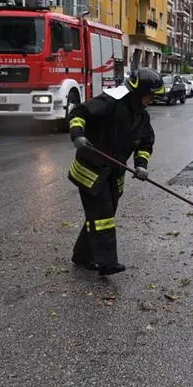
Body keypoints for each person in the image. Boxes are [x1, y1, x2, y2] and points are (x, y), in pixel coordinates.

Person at [67, 67, 164, 276]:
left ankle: (82, 255)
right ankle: (107, 262)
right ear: (138, 93)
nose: (151, 100)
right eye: (149, 96)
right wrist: (77, 134)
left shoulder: (141, 117)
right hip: (91, 170)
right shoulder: (110, 102)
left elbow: (145, 144)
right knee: (102, 216)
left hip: (114, 173)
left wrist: (141, 165)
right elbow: (79, 112)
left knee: (102, 215)